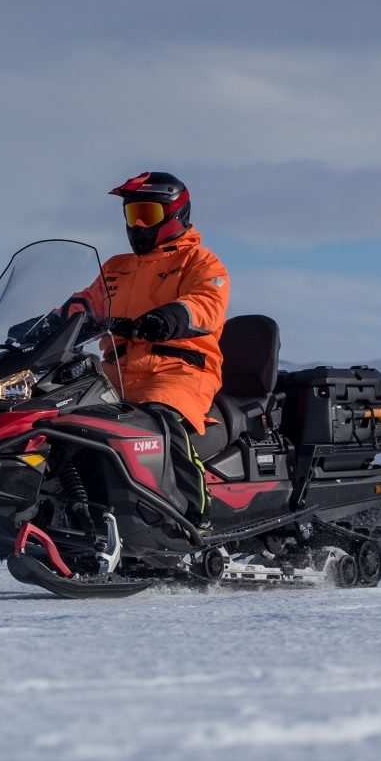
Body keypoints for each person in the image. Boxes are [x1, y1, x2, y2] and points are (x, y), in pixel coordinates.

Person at [74, 172, 230, 524]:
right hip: (115, 374)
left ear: (176, 214)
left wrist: (168, 318)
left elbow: (206, 302)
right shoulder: (117, 267)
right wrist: (47, 324)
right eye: (133, 215)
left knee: (159, 421)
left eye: (148, 214)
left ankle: (189, 515)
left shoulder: (200, 262)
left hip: (178, 372)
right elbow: (86, 303)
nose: (139, 224)